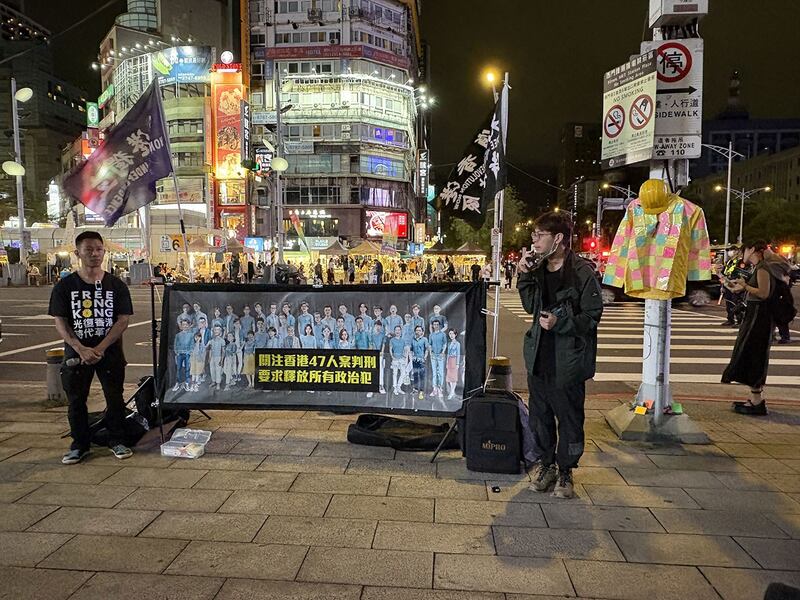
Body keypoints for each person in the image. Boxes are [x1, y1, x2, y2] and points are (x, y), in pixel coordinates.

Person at [517, 211, 603, 499]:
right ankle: (546, 465)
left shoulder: (581, 272)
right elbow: (530, 306)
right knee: (539, 417)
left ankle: (566, 471)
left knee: (568, 417)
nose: (534, 241)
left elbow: (592, 315)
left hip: (568, 360)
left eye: (539, 235)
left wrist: (560, 323)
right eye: (533, 235)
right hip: (540, 356)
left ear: (558, 239)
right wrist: (524, 275)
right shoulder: (538, 268)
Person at [48, 231, 134, 464]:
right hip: (77, 355)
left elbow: (123, 319)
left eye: (98, 249)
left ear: (104, 252)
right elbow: (60, 321)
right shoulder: (65, 286)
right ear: (78, 253)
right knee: (76, 400)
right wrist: (80, 348)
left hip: (110, 353)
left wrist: (101, 348)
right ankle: (79, 444)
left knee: (114, 397)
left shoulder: (116, 285)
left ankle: (117, 440)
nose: (95, 254)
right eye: (89, 250)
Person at [721, 240, 788, 414]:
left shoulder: (763, 268)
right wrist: (734, 286)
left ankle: (757, 403)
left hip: (759, 317)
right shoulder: (763, 267)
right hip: (757, 315)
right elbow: (750, 290)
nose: (742, 254)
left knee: (753, 355)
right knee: (751, 355)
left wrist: (745, 285)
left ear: (752, 250)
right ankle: (754, 399)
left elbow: (764, 293)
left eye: (745, 250)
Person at [720, 247, 746, 327]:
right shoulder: (728, 262)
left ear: (737, 252)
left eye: (732, 251)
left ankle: (739, 320)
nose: (730, 252)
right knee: (729, 303)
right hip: (727, 284)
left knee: (736, 303)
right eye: (728, 251)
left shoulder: (741, 262)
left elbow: (742, 274)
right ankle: (730, 319)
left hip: (736, 285)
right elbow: (723, 273)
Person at [173, 318, 194, 392]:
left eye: (186, 325)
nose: (185, 326)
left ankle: (187, 383)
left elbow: (192, 345)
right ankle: (178, 382)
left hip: (187, 354)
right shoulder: (178, 335)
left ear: (188, 326)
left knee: (187, 369)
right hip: (180, 354)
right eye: (183, 325)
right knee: (178, 368)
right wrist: (177, 352)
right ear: (181, 326)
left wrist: (190, 352)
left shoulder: (191, 335)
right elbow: (175, 345)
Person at [429, 319, 447, 399]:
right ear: (432, 326)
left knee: (440, 372)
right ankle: (434, 389)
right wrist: (430, 352)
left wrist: (443, 352)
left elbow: (445, 343)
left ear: (439, 326)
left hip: (440, 355)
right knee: (434, 373)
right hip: (433, 356)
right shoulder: (431, 335)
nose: (435, 326)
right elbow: (429, 344)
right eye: (434, 324)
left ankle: (440, 389)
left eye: (437, 324)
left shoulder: (443, 334)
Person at [410, 325, 430, 400]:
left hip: (421, 360)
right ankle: (415, 389)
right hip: (414, 360)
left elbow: (427, 350)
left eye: (419, 330)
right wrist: (412, 357)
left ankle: (421, 391)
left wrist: (424, 358)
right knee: (415, 375)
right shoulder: (413, 339)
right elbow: (411, 350)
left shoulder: (424, 339)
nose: (418, 331)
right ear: (415, 331)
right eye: (417, 330)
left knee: (421, 376)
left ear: (422, 332)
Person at [207, 325, 226, 389]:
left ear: (220, 331)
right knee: (212, 370)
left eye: (218, 330)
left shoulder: (222, 340)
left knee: (218, 371)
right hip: (212, 357)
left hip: (219, 357)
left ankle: (218, 383)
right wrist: (209, 358)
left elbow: (223, 351)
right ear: (213, 331)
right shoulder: (212, 340)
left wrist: (222, 360)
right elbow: (210, 350)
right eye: (215, 330)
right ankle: (213, 381)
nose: (216, 331)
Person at [445, 328, 462, 400]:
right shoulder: (449, 343)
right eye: (450, 334)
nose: (451, 335)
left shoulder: (457, 344)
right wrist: (446, 362)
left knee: (454, 377)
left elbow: (458, 354)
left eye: (452, 334)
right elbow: (448, 354)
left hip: (455, 360)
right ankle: (452, 392)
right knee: (450, 377)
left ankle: (452, 392)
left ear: (455, 335)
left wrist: (457, 363)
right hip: (449, 360)